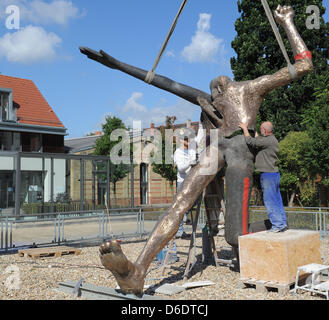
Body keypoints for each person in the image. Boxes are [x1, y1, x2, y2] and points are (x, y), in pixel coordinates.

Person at [80, 5, 313, 294]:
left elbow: (304, 65)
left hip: (241, 149)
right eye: (212, 92)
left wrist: (287, 22)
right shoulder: (210, 98)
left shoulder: (250, 88)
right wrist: (119, 66)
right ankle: (137, 271)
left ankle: (272, 223)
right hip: (218, 147)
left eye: (218, 90)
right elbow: (164, 83)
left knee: (234, 236)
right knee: (180, 201)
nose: (214, 91)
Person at [239, 121, 288, 233]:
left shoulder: (267, 141)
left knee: (270, 200)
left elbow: (251, 141)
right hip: (273, 174)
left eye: (261, 129)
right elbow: (258, 141)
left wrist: (245, 129)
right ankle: (282, 223)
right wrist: (255, 131)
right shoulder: (271, 139)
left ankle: (276, 225)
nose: (260, 131)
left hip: (267, 175)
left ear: (265, 131)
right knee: (277, 200)